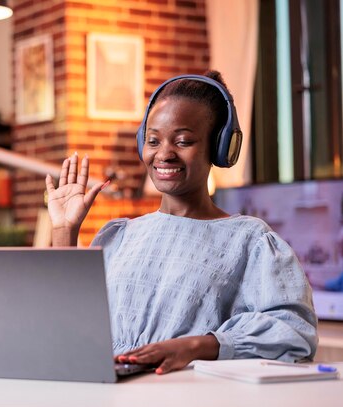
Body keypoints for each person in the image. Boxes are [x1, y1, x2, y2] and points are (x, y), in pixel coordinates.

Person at [44, 70, 318, 375]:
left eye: (183, 141)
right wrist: (63, 231)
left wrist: (196, 346)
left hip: (192, 399)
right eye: (153, 140)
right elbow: (65, 325)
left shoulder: (251, 241)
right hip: (108, 395)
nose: (164, 154)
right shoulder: (119, 237)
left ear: (219, 147)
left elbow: (294, 330)